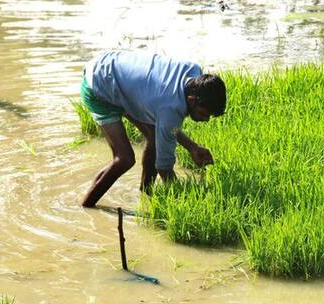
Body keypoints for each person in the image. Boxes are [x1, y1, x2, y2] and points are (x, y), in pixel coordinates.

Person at [79, 50, 226, 208]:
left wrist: (192, 147)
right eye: (203, 114)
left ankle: (146, 191)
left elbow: (167, 128)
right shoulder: (170, 108)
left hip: (112, 68)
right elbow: (164, 167)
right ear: (191, 100)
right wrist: (181, 201)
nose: (206, 120)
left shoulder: (193, 71)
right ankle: (86, 206)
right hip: (98, 85)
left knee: (155, 138)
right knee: (124, 159)